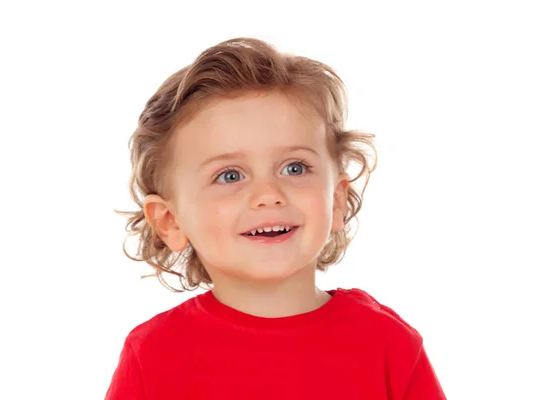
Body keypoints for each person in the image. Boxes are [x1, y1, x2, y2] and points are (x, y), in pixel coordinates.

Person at [105, 37, 446, 399]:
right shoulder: (155, 354)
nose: (268, 195)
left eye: (295, 168)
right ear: (170, 221)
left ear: (336, 200)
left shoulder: (388, 344)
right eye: (230, 176)